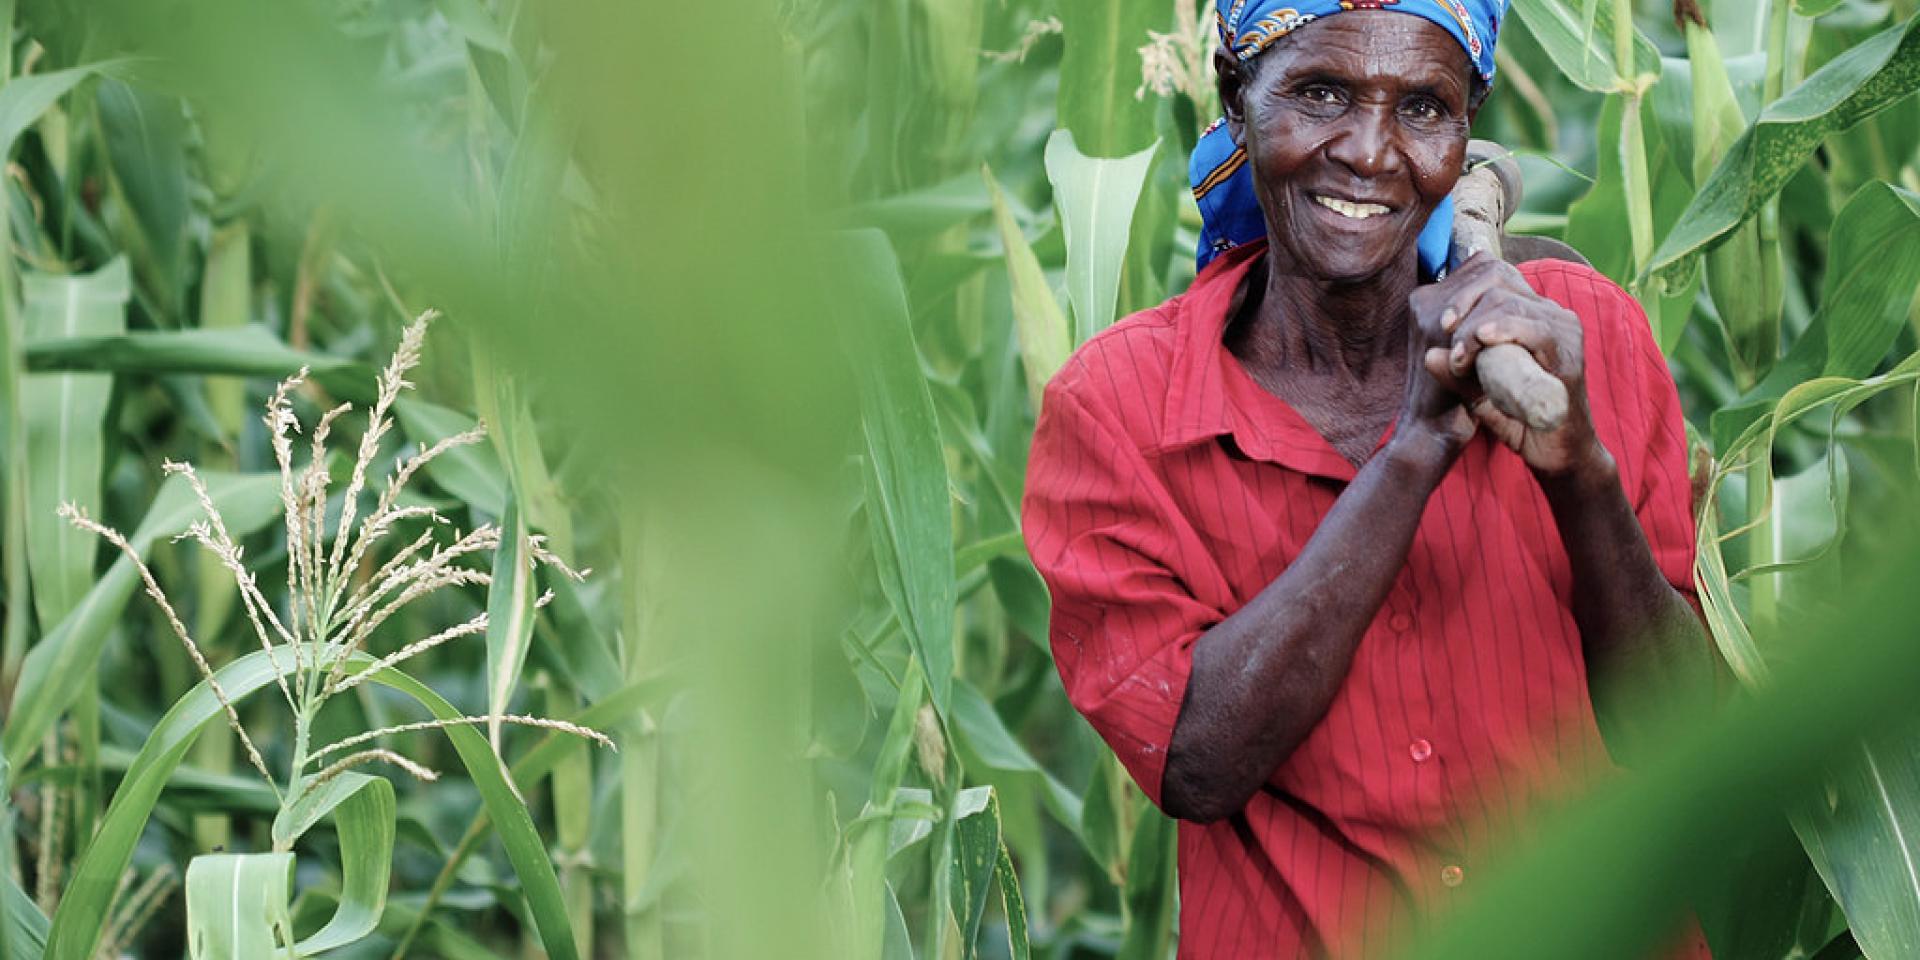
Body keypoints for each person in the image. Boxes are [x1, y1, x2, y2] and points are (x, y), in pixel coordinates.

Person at [1020, 1, 1717, 956]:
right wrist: (1415, 452)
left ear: (1466, 123)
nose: (1370, 152)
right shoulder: (1119, 411)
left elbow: (1687, 740)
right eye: (1320, 94)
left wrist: (1581, 474)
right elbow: (1197, 764)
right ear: (1235, 97)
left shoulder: (1582, 336)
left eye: (1422, 108)